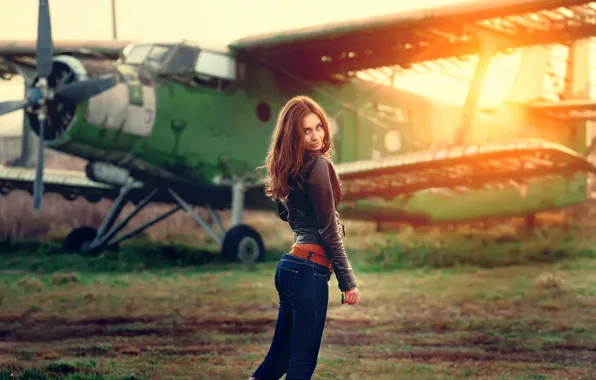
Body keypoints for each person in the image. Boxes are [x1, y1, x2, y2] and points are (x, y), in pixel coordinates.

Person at [250, 95, 359, 380]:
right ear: (294, 134)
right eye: (306, 130)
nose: (315, 136)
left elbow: (288, 215)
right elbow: (327, 228)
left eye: (319, 127)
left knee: (278, 359)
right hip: (308, 271)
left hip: (290, 268)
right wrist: (347, 280)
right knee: (301, 364)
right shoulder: (317, 165)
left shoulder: (287, 168)